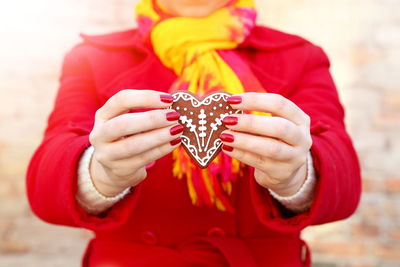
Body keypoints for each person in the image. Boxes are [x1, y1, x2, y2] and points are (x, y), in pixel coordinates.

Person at [26, 0, 361, 266]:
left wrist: (298, 177)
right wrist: (97, 173)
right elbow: (44, 191)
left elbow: (344, 183)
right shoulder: (92, 57)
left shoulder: (299, 56)